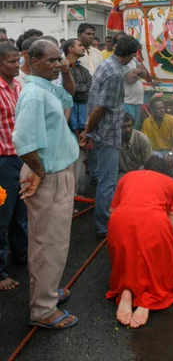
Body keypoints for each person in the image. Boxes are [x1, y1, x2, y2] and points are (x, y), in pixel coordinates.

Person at [13, 39, 79, 329]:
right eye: (52, 61)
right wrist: (40, 171)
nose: (58, 64)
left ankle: (48, 292)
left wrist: (65, 72)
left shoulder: (47, 85)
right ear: (33, 60)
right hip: (48, 176)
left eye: (59, 59)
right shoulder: (33, 95)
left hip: (56, 171)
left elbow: (70, 96)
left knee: (56, 241)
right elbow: (23, 143)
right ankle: (42, 310)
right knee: (46, 244)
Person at [106, 155, 173, 328]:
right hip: (154, 223)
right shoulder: (172, 184)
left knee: (128, 254)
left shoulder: (127, 177)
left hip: (119, 222)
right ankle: (147, 299)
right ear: (164, 171)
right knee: (160, 262)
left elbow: (112, 213)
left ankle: (126, 291)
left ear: (144, 168)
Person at [79, 36, 140, 237]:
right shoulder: (114, 74)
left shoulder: (107, 64)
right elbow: (100, 108)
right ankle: (104, 227)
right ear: (130, 55)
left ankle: (104, 221)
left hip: (101, 132)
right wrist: (88, 131)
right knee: (107, 182)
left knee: (106, 179)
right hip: (107, 134)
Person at [0, 43, 28, 291]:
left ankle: (21, 255)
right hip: (3, 161)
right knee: (2, 215)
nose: (16, 65)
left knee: (20, 212)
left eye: (18, 60)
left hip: (20, 157)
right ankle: (0, 273)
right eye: (11, 61)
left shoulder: (18, 85)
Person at [63, 38, 92, 188]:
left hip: (82, 119)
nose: (83, 47)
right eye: (79, 45)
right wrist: (77, 89)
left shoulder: (83, 70)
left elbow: (89, 90)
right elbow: (69, 91)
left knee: (80, 155)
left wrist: (76, 89)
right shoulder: (62, 68)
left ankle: (75, 190)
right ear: (71, 49)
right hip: (67, 119)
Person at [113, 31, 156, 130]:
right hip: (126, 102)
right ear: (116, 45)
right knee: (126, 131)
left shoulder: (133, 59)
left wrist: (136, 71)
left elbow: (146, 74)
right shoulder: (119, 61)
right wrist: (139, 72)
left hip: (136, 101)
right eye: (122, 41)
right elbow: (129, 79)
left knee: (135, 130)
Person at [141, 99, 173, 172]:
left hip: (172, 150)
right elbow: (144, 142)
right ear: (152, 111)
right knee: (154, 168)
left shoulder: (172, 119)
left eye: (163, 107)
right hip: (155, 151)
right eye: (158, 108)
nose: (162, 110)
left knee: (170, 168)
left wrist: (170, 154)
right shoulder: (146, 122)